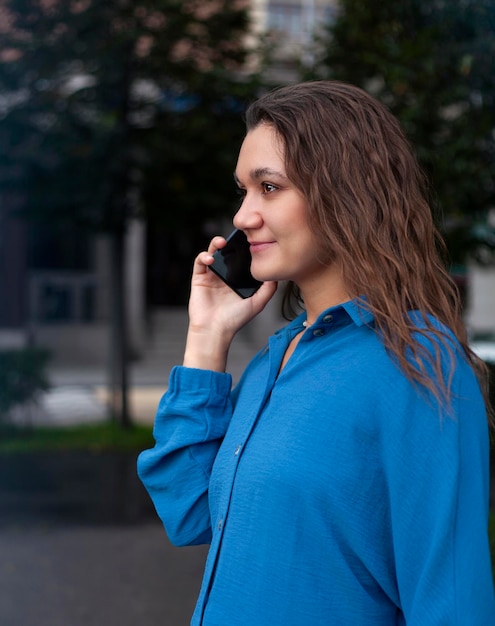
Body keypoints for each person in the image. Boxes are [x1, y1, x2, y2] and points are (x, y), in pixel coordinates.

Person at [137, 81, 495, 625]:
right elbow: (188, 514)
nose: (243, 216)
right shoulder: (275, 361)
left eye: (270, 188)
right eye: (243, 191)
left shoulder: (420, 365)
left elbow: (450, 602)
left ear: (345, 194)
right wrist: (206, 338)